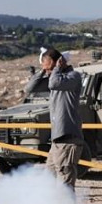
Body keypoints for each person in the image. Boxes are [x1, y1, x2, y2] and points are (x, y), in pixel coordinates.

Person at [25, 48, 82, 188]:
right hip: (57, 141)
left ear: (59, 63)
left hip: (68, 139)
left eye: (49, 68)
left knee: (64, 184)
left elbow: (54, 83)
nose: (49, 72)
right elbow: (30, 88)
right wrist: (43, 70)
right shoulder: (54, 77)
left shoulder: (73, 77)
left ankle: (67, 203)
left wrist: (55, 69)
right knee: (48, 180)